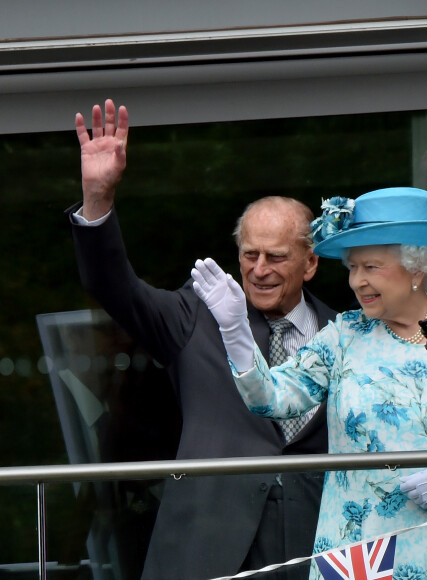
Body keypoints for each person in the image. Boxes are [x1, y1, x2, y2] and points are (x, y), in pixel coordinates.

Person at [66, 99, 337, 580]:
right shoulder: (199, 314)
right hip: (209, 545)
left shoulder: (344, 333)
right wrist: (99, 199)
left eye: (275, 257)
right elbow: (115, 287)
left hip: (320, 545)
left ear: (310, 263)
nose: (258, 270)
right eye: (248, 254)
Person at [192, 187, 427, 580]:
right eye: (353, 267)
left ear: (416, 268)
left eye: (372, 267)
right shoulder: (344, 336)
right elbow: (271, 398)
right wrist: (234, 330)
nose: (356, 282)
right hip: (355, 556)